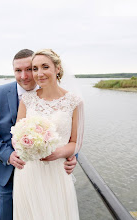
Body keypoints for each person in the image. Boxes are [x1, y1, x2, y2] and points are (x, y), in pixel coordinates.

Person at [0, 49, 79, 220]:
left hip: (50, 173)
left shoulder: (58, 95)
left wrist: (72, 155)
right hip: (8, 171)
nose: (24, 76)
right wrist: (8, 155)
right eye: (18, 71)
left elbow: (67, 133)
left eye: (29, 69)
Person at [13, 49, 84, 220]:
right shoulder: (27, 100)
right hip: (29, 171)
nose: (39, 73)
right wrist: (27, 146)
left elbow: (76, 142)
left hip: (57, 172)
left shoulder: (75, 102)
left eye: (45, 67)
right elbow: (16, 135)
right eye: (35, 68)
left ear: (57, 68)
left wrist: (57, 153)